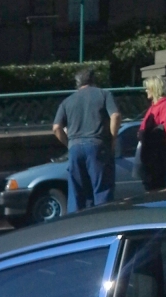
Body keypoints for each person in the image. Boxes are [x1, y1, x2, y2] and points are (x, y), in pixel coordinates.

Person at [52, 67, 122, 213]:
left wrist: (69, 144)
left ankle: (76, 223)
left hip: (75, 148)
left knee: (77, 193)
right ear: (93, 80)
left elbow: (56, 127)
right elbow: (115, 116)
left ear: (77, 83)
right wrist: (112, 139)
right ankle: (102, 221)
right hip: (97, 145)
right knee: (102, 190)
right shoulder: (104, 94)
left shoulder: (67, 101)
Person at [138, 75, 166, 191]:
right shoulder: (154, 106)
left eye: (148, 88)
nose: (146, 90)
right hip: (149, 153)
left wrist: (149, 137)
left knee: (156, 187)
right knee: (149, 186)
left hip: (157, 155)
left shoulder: (165, 105)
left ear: (155, 89)